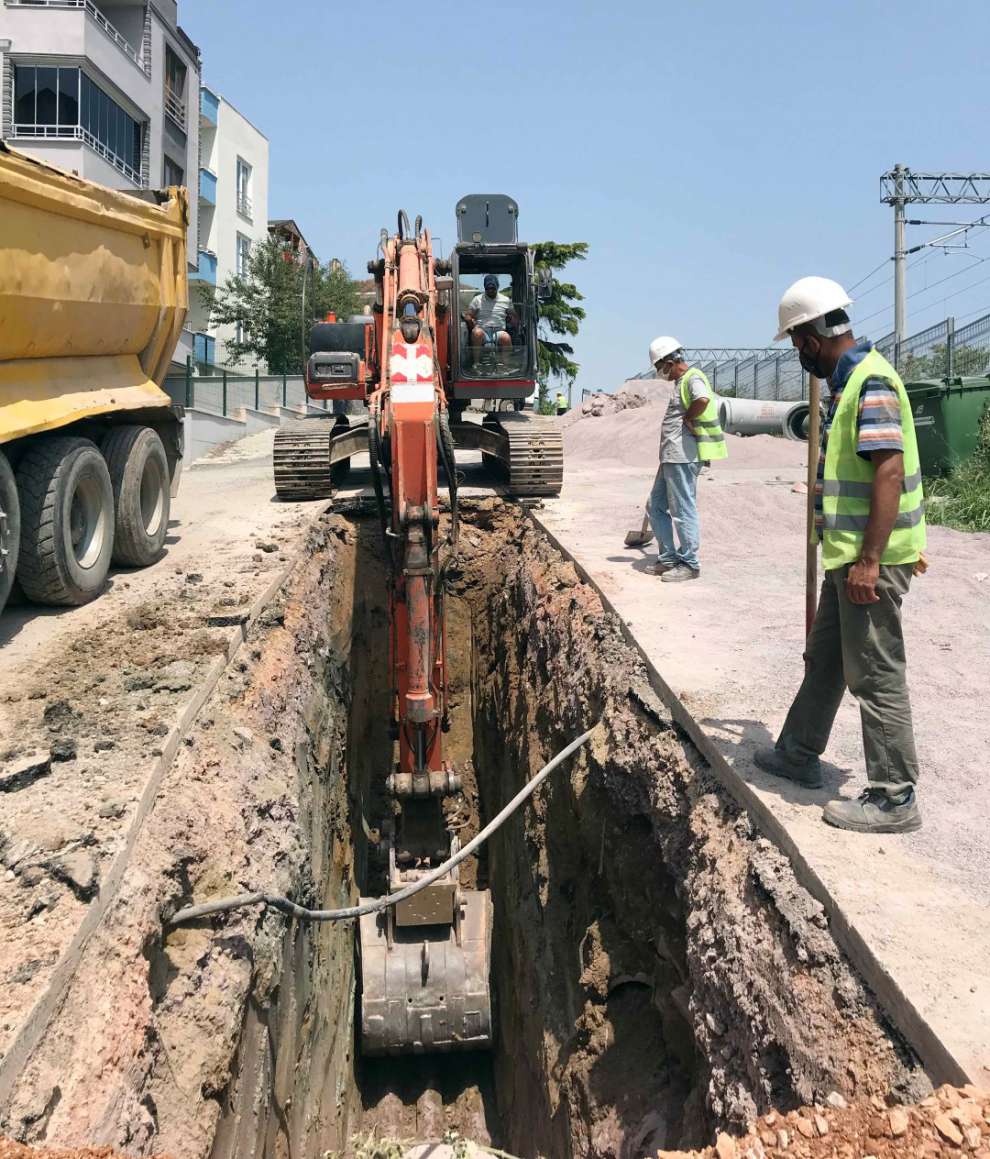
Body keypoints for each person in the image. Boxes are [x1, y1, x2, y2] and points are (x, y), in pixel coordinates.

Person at [753, 276, 926, 834]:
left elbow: (889, 472)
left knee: (874, 673)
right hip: (848, 559)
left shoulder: (870, 383)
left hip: (869, 562)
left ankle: (895, 796)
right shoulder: (848, 383)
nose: (799, 356)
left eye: (797, 345)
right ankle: (797, 752)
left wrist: (871, 561)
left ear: (809, 338)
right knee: (825, 658)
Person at [645, 336, 728, 582]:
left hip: (683, 456)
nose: (661, 373)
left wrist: (689, 418)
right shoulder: (681, 381)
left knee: (682, 508)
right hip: (671, 455)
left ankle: (690, 563)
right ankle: (669, 557)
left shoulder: (693, 378)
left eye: (661, 367)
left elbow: (702, 399)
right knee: (655, 505)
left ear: (671, 361)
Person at [464, 274, 517, 364]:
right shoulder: (477, 300)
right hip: (482, 330)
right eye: (488, 289)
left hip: (499, 331)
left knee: (506, 338)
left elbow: (515, 316)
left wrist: (513, 321)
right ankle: (476, 363)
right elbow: (468, 315)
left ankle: (505, 366)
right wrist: (470, 323)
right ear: (485, 288)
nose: (491, 291)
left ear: (497, 287)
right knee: (476, 333)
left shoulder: (506, 300)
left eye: (493, 288)